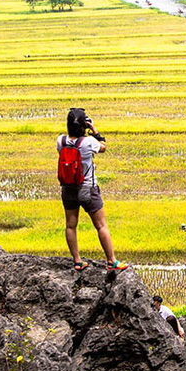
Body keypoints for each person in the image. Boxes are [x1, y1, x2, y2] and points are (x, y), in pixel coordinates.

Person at [59, 108, 128, 271]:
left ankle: (77, 261)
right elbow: (103, 147)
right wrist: (95, 131)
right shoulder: (88, 142)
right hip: (87, 188)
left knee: (70, 225)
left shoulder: (60, 141)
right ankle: (112, 261)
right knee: (101, 225)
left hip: (68, 188)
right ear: (84, 125)